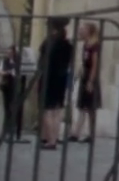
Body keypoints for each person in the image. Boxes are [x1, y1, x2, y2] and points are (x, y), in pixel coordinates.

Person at [39, 18, 73, 151]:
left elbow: (42, 61)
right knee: (57, 110)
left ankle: (50, 140)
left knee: (47, 109)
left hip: (49, 77)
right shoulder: (67, 44)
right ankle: (54, 137)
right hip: (61, 78)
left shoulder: (48, 42)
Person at [69, 22, 102, 142]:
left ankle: (91, 134)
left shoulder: (95, 46)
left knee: (90, 108)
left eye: (82, 29)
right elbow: (84, 63)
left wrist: (91, 81)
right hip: (84, 77)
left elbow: (94, 65)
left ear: (89, 31)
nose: (80, 32)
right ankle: (76, 133)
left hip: (90, 78)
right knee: (82, 106)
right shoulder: (85, 45)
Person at [0, 47, 25, 141]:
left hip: (16, 86)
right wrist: (6, 72)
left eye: (11, 52)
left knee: (15, 109)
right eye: (8, 52)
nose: (9, 54)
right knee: (7, 108)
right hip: (7, 86)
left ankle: (15, 131)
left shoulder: (19, 62)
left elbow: (19, 73)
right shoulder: (5, 61)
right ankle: (7, 131)